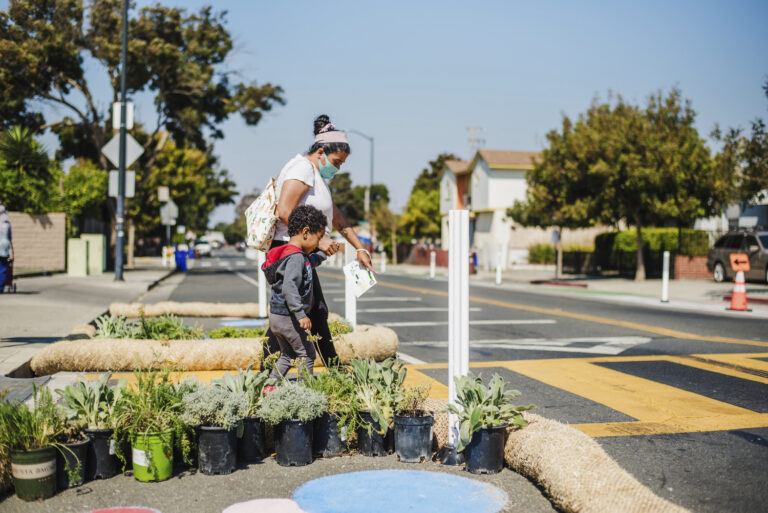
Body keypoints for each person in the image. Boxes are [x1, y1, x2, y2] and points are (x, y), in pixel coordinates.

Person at [263, 114, 374, 366]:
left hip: (301, 250)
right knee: (310, 309)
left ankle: (264, 374)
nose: (338, 168)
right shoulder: (302, 169)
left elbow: (337, 217)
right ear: (321, 151)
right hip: (288, 250)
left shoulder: (317, 174)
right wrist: (318, 240)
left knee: (299, 310)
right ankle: (333, 374)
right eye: (337, 162)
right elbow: (284, 210)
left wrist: (360, 248)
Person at [261, 205, 328, 379]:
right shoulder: (296, 257)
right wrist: (300, 314)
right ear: (306, 232)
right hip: (289, 317)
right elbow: (289, 287)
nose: (318, 243)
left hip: (277, 317)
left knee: (288, 355)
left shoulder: (289, 253)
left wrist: (323, 254)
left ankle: (269, 386)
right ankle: (307, 392)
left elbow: (309, 262)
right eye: (318, 238)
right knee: (307, 354)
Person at [0, 205, 13, 293]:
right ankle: (0, 287)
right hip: (4, 248)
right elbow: (9, 237)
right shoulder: (7, 224)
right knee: (3, 267)